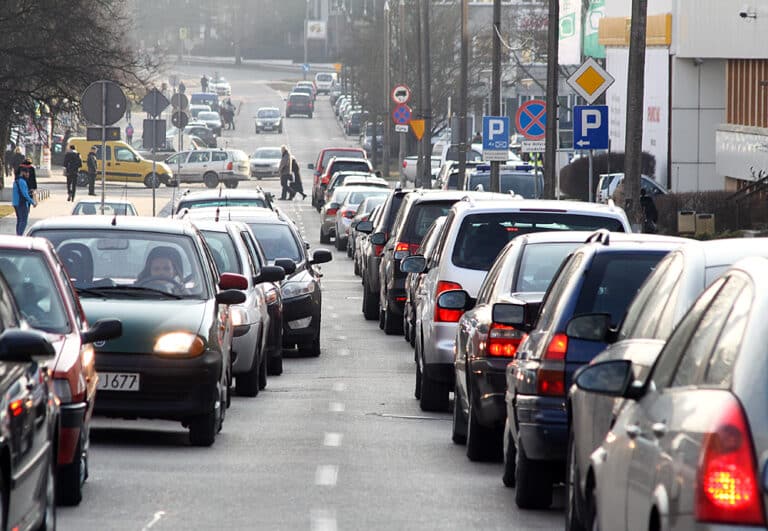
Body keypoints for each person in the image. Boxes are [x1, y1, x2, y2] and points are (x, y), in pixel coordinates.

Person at [12, 166, 37, 235]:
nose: (28, 175)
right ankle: (19, 236)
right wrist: (33, 202)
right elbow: (24, 195)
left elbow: (21, 192)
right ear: (22, 172)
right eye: (27, 173)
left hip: (16, 203)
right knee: (23, 221)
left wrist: (29, 192)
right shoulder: (22, 181)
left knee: (19, 220)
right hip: (21, 203)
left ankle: (18, 235)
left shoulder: (16, 181)